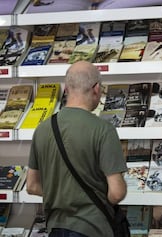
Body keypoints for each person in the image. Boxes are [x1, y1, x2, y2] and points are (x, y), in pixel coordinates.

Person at [26, 61, 127, 237]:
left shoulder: (42, 129)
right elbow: (117, 193)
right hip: (93, 228)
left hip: (55, 227)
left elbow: (32, 185)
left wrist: (61, 195)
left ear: (66, 88)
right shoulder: (103, 130)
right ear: (96, 89)